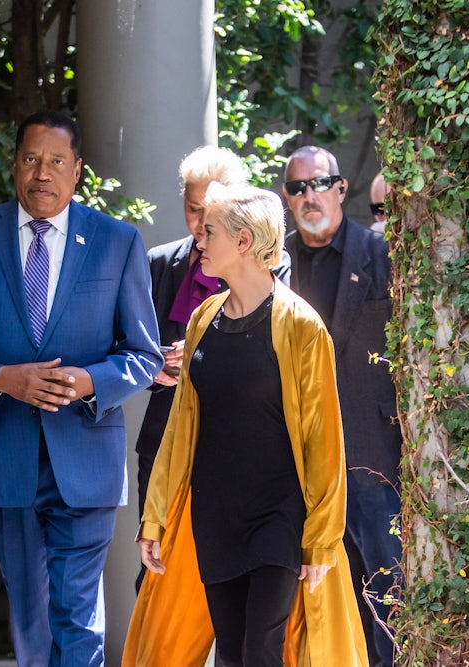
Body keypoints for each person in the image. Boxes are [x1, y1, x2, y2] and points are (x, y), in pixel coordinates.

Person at [0, 110, 162, 667]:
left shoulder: (116, 242)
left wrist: (89, 382)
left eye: (55, 162)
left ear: (77, 171)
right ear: (13, 165)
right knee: (29, 616)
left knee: (76, 615)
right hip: (8, 458)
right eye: (30, 159)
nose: (42, 174)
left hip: (87, 456)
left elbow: (144, 355)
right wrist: (2, 379)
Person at [124, 183, 368, 667]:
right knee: (232, 653)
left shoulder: (300, 324)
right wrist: (155, 517)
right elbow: (179, 429)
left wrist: (320, 537)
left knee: (262, 649)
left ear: (242, 242)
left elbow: (324, 438)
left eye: (208, 231)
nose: (197, 240)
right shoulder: (201, 319)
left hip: (279, 514)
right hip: (215, 514)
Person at [134, 146, 290, 592]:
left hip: (242, 446)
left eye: (210, 212)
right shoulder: (161, 262)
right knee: (158, 579)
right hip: (166, 436)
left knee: (235, 584)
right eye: (191, 208)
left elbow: (276, 352)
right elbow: (132, 346)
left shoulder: (272, 263)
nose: (199, 224)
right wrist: (157, 365)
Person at [281, 146, 403, 667]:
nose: (310, 195)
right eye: (297, 187)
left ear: (340, 189)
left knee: (386, 590)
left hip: (371, 456)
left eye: (319, 183)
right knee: (317, 599)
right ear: (286, 199)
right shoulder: (273, 265)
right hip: (296, 460)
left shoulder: (381, 256)